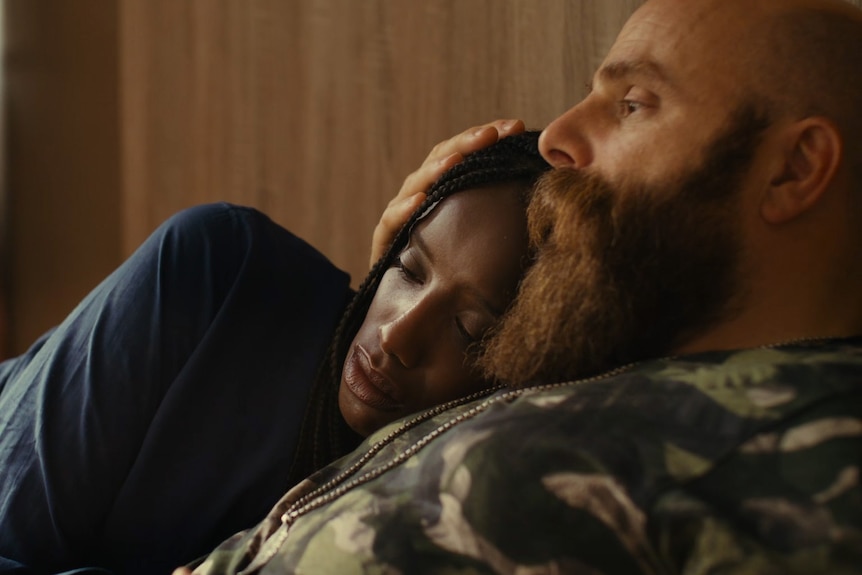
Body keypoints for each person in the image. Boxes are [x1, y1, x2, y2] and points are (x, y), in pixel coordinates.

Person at [180, 0, 862, 572]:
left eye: (631, 104)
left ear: (794, 169)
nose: (556, 138)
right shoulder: (624, 363)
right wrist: (400, 271)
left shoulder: (798, 452)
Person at [0, 131, 550, 574]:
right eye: (407, 269)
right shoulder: (220, 275)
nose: (395, 336)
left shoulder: (444, 507)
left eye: (466, 329)